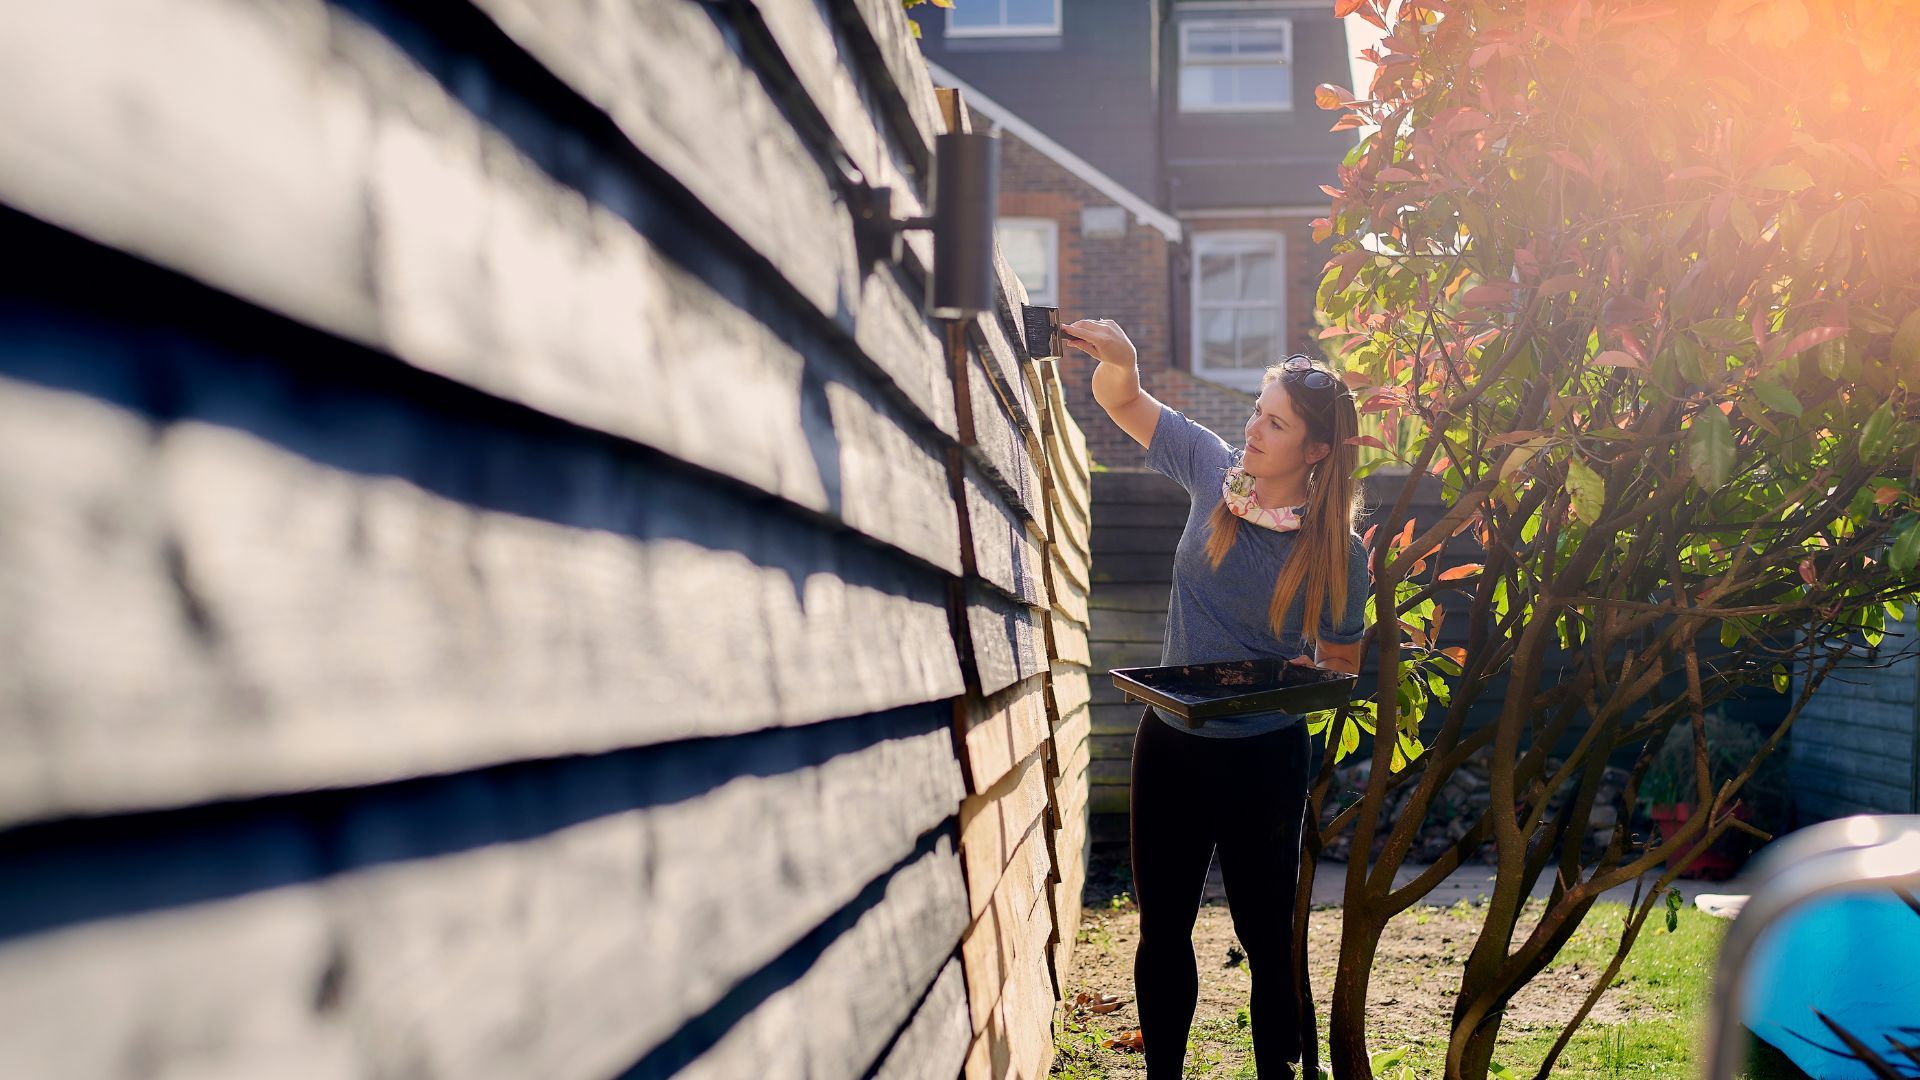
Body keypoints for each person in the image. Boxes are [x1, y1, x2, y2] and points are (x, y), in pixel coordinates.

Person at [1062, 317, 1370, 1079]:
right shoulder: (1212, 469)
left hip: (1265, 756)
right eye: (1258, 412)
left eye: (1276, 423)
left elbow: (1342, 662)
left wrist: (1303, 672)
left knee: (1266, 941)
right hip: (1170, 743)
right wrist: (1123, 360)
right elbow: (1123, 400)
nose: (1253, 430)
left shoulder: (1338, 551)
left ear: (1317, 450)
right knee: (1162, 930)